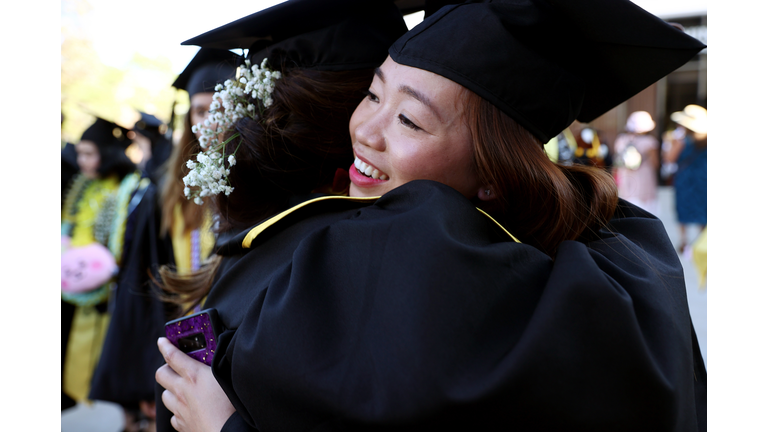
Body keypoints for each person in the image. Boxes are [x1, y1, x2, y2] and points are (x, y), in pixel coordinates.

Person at [156, 1, 707, 431]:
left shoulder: (507, 308)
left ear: (494, 169)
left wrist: (222, 427)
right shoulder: (621, 256)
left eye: (410, 121)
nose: (365, 133)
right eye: (372, 95)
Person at [88, 48, 239, 432]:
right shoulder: (165, 194)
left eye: (224, 108)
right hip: (181, 343)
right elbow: (143, 289)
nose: (212, 123)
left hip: (238, 361)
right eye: (201, 111)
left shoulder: (260, 188)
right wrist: (147, 374)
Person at [61, 116, 139, 410]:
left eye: (88, 153)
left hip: (110, 294)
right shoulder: (84, 185)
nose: (81, 160)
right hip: (80, 287)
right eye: (79, 153)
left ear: (107, 153)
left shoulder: (124, 189)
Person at [663, 104, 707, 253]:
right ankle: (703, 242)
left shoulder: (681, 140)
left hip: (685, 181)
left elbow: (669, 159)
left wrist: (670, 142)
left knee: (683, 210)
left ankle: (684, 242)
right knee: (703, 211)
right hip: (704, 180)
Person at [612, 110, 661, 215]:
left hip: (625, 180)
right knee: (645, 212)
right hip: (644, 180)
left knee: (626, 210)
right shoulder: (650, 142)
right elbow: (655, 163)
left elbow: (616, 163)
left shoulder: (621, 140)